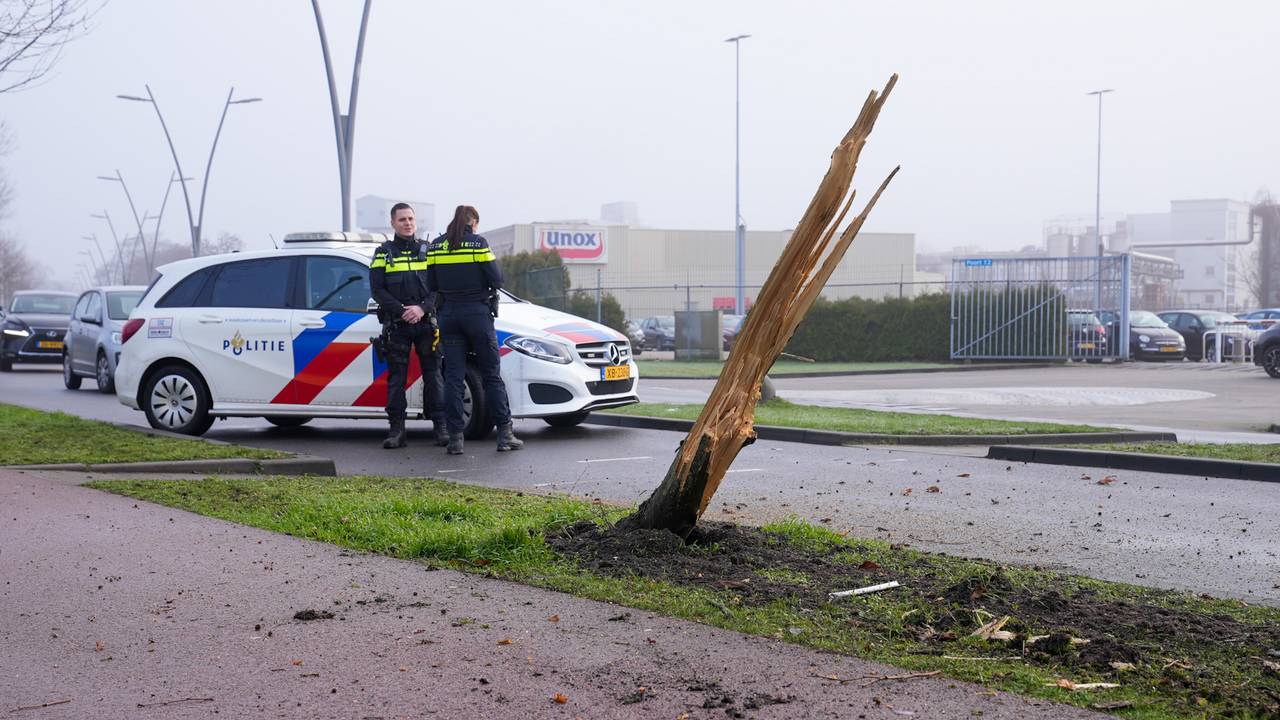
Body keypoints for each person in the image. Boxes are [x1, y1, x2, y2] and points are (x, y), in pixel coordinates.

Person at [426, 205, 522, 454]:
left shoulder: (435, 247)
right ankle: (505, 434)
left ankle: (456, 438)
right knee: (491, 375)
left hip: (449, 316)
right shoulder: (479, 244)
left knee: (453, 378)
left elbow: (432, 283)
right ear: (474, 222)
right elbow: (497, 279)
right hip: (477, 316)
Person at [368, 203, 447, 449]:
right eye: (402, 219)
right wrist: (402, 311)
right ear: (393, 223)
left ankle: (441, 428)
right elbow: (377, 289)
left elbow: (438, 286)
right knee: (396, 380)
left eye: (411, 218)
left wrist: (422, 308)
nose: (408, 223)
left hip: (426, 324)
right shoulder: (383, 252)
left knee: (434, 377)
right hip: (397, 325)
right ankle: (396, 431)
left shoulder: (429, 249)